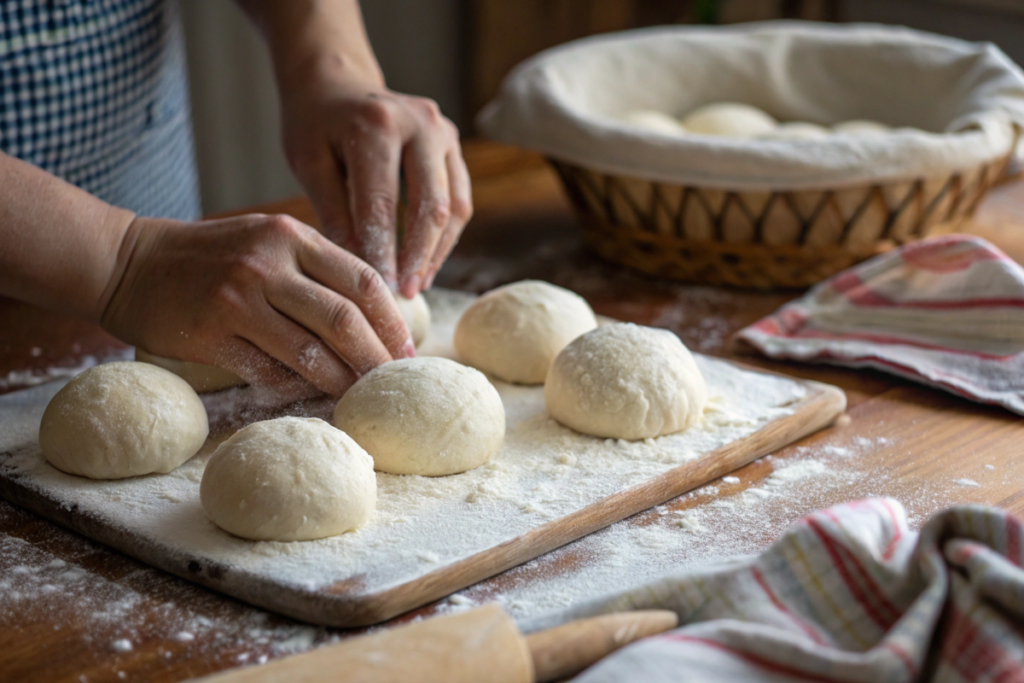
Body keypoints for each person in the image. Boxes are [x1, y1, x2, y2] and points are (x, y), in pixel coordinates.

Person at [0, 0, 472, 400]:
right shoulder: (133, 263)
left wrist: (328, 59)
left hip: (155, 221)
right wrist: (123, 262)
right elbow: (130, 262)